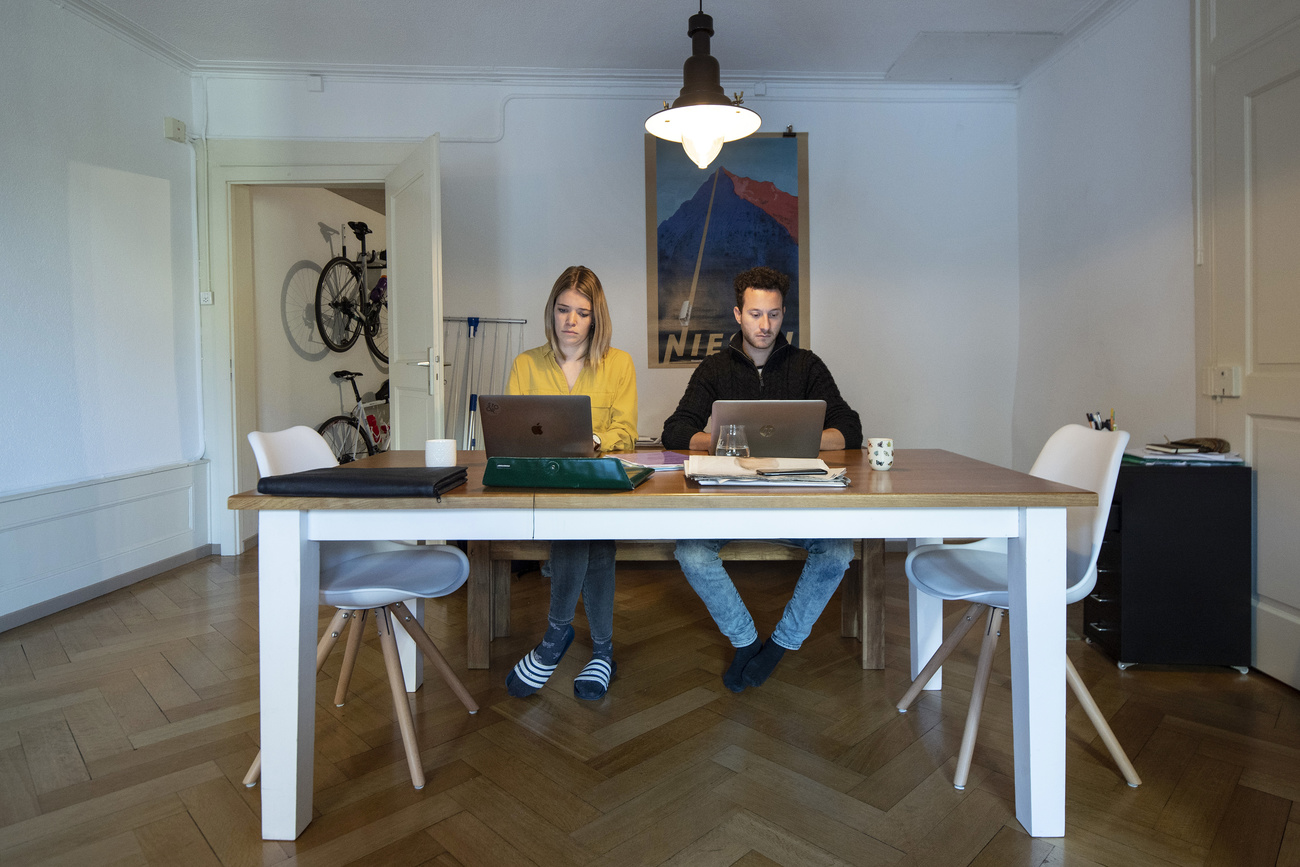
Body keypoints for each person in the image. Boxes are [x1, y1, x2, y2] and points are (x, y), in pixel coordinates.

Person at [661, 266, 862, 692]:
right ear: (737, 314)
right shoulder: (714, 369)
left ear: (783, 314)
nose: (765, 325)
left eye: (773, 315)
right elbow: (675, 430)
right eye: (755, 314)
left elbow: (851, 428)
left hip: (795, 502)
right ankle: (746, 640)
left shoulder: (807, 366)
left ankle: (779, 646)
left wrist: (802, 442)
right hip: (727, 503)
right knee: (691, 553)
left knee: (839, 552)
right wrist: (720, 441)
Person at [504, 266, 637, 700]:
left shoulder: (619, 363)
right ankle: (601, 650)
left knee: (581, 526)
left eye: (581, 312)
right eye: (563, 309)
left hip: (596, 478)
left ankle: (555, 636)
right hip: (544, 483)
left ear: (595, 317)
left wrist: (591, 440)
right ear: (552, 311)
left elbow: (627, 431)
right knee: (583, 529)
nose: (570, 321)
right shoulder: (526, 364)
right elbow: (510, 431)